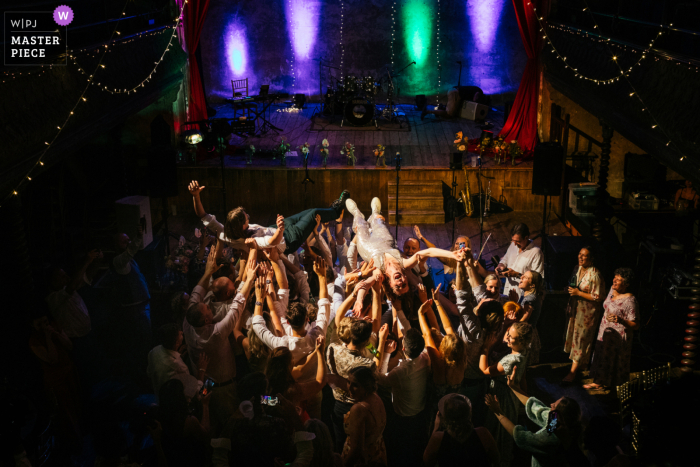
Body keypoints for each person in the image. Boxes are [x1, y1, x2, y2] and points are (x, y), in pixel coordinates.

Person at [183, 248, 256, 430]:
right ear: (207, 319)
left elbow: (196, 294)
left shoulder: (188, 321)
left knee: (208, 412)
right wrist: (251, 279)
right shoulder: (215, 333)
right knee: (230, 422)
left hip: (206, 384)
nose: (206, 303)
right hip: (223, 388)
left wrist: (208, 271)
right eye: (206, 308)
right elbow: (237, 306)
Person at [252, 256, 331, 418]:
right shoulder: (317, 335)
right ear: (307, 319)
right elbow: (324, 304)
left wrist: (259, 299)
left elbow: (258, 325)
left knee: (287, 420)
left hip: (285, 399)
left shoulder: (281, 345)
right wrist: (322, 278)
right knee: (312, 424)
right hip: (310, 391)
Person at [344, 197, 461, 305]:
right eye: (404, 284)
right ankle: (375, 212)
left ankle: (356, 212)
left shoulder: (379, 274)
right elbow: (428, 252)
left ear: (390, 284)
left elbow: (365, 284)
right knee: (378, 221)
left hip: (367, 247)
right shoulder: (405, 264)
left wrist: (359, 301)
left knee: (360, 224)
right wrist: (452, 254)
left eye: (398, 287)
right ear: (405, 279)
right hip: (385, 241)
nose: (400, 283)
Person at [188, 180, 350, 255]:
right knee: (315, 214)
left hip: (277, 228)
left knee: (309, 211)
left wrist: (196, 196)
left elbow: (203, 216)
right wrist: (280, 229)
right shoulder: (250, 242)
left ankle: (332, 210)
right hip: (287, 240)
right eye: (246, 217)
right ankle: (337, 210)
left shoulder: (226, 234)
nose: (249, 216)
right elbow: (272, 242)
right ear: (243, 227)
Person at [485, 370, 584, 467]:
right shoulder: (561, 424)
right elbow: (534, 406)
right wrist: (513, 387)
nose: (551, 404)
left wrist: (497, 411)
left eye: (554, 406)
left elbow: (519, 435)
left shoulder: (548, 440)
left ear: (559, 418)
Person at [28, 308, 82, 453]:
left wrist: (56, 334)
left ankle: (84, 433)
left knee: (77, 403)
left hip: (69, 372)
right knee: (66, 410)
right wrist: (47, 337)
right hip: (56, 380)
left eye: (46, 322)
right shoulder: (34, 341)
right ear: (33, 325)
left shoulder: (55, 326)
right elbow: (52, 359)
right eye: (40, 324)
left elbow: (69, 346)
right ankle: (75, 442)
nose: (45, 326)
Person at [481, 322, 532, 467]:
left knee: (498, 429)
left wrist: (485, 348)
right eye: (508, 334)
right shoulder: (523, 352)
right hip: (513, 397)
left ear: (521, 341)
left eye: (511, 337)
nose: (507, 338)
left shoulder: (510, 361)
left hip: (501, 396)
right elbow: (522, 377)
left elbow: (484, 370)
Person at [326, 318, 376, 452]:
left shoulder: (332, 348)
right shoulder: (367, 365)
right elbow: (377, 354)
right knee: (356, 445)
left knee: (339, 443)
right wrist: (379, 342)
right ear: (365, 341)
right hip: (357, 408)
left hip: (337, 405)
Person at [586, 268, 639, 390]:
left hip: (618, 337)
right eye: (614, 277)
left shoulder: (630, 300)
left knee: (613, 360)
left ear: (626, 284)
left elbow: (636, 325)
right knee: (602, 355)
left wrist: (621, 320)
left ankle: (612, 388)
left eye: (618, 280)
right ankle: (599, 382)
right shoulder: (612, 290)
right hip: (605, 331)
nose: (614, 281)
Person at [563, 246, 605, 384]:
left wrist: (579, 293)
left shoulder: (595, 275)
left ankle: (572, 373)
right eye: (579, 254)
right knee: (575, 337)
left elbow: (599, 297)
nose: (580, 257)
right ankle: (582, 364)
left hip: (587, 312)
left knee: (582, 339)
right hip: (576, 309)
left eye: (584, 255)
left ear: (591, 258)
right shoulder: (578, 268)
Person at [423, 393, 500, 467]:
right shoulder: (483, 433)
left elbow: (428, 462)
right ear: (469, 414)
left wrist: (436, 428)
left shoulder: (437, 438)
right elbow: (496, 460)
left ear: (445, 417)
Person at [44, 249, 100, 339]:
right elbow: (73, 286)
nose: (67, 277)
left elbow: (88, 276)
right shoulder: (53, 298)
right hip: (74, 338)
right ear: (53, 281)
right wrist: (87, 262)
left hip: (87, 332)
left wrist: (97, 260)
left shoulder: (66, 288)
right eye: (62, 276)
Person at [157, 378, 210, 467]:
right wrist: (205, 405)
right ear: (179, 398)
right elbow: (206, 434)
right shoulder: (189, 421)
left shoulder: (160, 419)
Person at [147, 323, 209, 399]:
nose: (182, 332)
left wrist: (177, 354)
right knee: (209, 385)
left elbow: (149, 373)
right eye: (180, 334)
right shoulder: (178, 366)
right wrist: (201, 370)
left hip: (160, 399)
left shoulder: (154, 351)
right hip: (180, 405)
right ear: (176, 343)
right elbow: (196, 393)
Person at [265, 342, 326, 419]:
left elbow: (300, 370)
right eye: (292, 359)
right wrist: (321, 353)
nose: (294, 361)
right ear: (288, 366)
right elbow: (320, 382)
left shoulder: (264, 383)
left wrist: (316, 351)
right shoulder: (292, 391)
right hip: (288, 425)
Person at [342, 366, 387, 467]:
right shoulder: (376, 398)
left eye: (355, 385)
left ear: (366, 386)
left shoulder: (359, 409)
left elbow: (356, 451)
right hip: (377, 453)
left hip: (363, 459)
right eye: (348, 382)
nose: (349, 387)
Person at [496, 223, 544, 299]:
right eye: (512, 240)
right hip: (508, 290)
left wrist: (516, 274)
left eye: (517, 241)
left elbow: (538, 279)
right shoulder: (513, 244)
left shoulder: (536, 252)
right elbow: (506, 258)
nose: (514, 244)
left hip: (522, 295)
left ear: (526, 237)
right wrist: (501, 265)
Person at [518, 270, 544, 366]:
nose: (521, 278)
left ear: (532, 285)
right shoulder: (524, 295)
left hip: (525, 335)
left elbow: (523, 319)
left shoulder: (530, 299)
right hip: (523, 332)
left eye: (525, 277)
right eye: (522, 276)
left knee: (522, 366)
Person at [420, 85, 485, 120]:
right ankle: (428, 111)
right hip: (455, 93)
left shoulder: (478, 90)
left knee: (453, 112)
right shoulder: (479, 92)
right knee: (449, 115)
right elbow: (474, 99)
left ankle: (441, 108)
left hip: (455, 91)